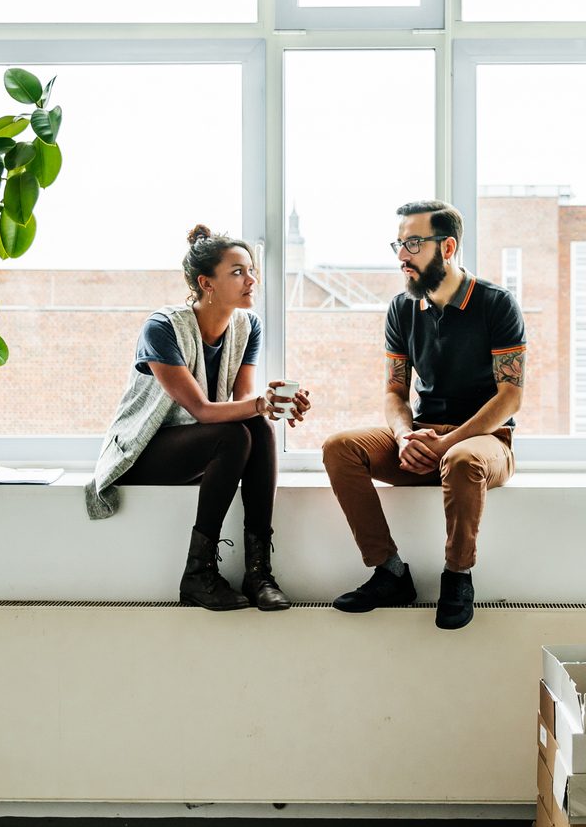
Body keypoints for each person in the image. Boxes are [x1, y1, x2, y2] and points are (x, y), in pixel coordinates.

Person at [321, 200, 524, 631]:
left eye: (413, 243)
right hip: (422, 439)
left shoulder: (496, 304)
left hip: (485, 442)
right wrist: (402, 437)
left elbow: (509, 398)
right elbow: (395, 391)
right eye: (398, 243)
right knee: (339, 448)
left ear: (447, 247)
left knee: (462, 460)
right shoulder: (401, 309)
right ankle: (390, 572)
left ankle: (457, 576)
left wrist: (445, 444)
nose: (401, 256)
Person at [87, 226, 311, 612]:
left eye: (251, 270)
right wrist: (260, 404)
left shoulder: (247, 326)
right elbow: (203, 411)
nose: (251, 279)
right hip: (144, 449)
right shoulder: (161, 328)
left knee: (256, 428)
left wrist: (273, 404)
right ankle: (198, 573)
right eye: (238, 272)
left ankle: (258, 572)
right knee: (237, 437)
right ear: (206, 283)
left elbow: (242, 404)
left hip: (202, 445)